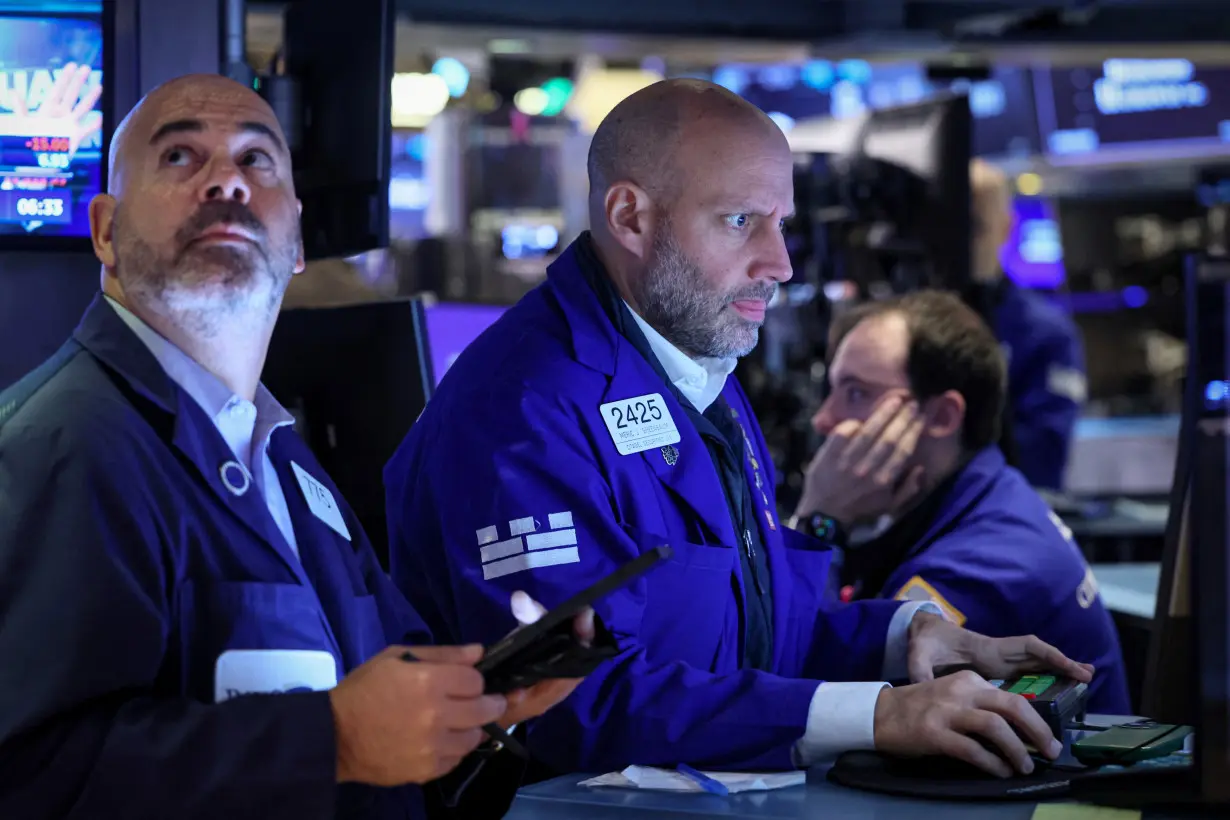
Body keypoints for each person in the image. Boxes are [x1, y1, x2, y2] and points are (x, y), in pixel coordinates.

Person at [385, 78, 1094, 781]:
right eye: (740, 222)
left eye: (780, 223)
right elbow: (570, 705)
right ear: (630, 216)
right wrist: (879, 714)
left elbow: (754, 636)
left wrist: (904, 638)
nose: (779, 264)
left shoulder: (695, 361)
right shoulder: (523, 409)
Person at [0, 74, 590, 820]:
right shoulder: (62, 449)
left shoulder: (281, 453)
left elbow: (377, 702)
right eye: (181, 157)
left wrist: (484, 709)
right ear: (105, 233)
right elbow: (30, 776)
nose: (227, 181)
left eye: (257, 161)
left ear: (299, 241)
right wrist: (331, 739)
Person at [801, 290, 1130, 714]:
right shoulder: (986, 497)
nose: (823, 418)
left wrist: (820, 519)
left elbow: (813, 685)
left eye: (857, 393)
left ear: (942, 417)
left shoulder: (984, 567)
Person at [969, 159, 1087, 491]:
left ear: (1005, 228)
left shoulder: (1044, 332)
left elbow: (1043, 459)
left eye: (975, 227)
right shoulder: (902, 325)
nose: (960, 244)